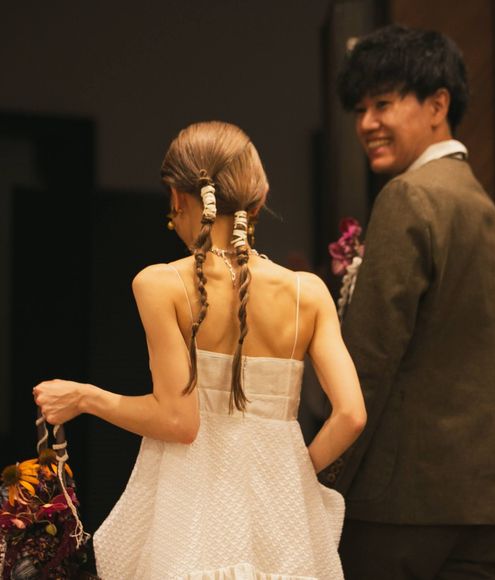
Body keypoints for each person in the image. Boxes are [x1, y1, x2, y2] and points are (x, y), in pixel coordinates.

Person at [33, 121, 366, 579]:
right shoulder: (308, 293)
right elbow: (351, 415)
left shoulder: (160, 284)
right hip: (284, 528)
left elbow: (178, 421)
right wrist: (295, 474)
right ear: (260, 197)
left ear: (179, 198)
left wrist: (86, 398)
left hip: (190, 515)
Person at [319, 25, 495, 579]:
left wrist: (322, 482)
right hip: (481, 505)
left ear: (437, 105)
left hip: (398, 508)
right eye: (360, 109)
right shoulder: (485, 208)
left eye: (383, 103)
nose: (366, 123)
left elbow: (368, 363)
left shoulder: (410, 196)